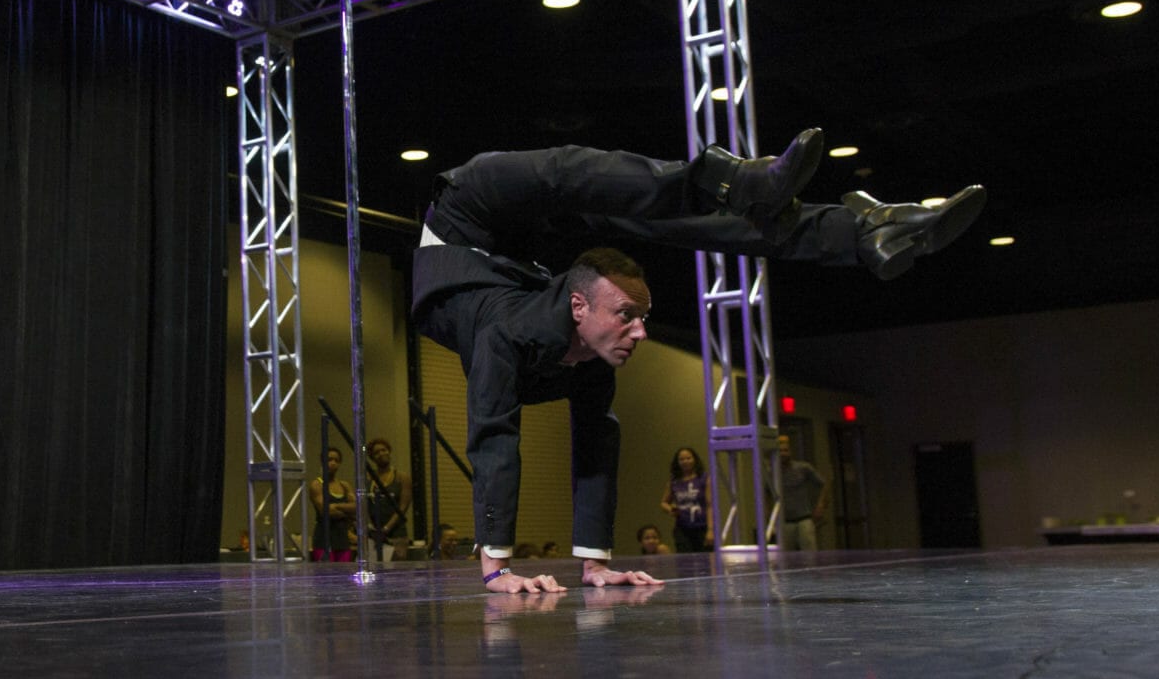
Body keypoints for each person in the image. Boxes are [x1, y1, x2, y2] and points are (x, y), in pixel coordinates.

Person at [412, 134, 983, 594]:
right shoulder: (508, 339)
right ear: (582, 310)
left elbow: (595, 442)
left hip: (505, 254)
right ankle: (758, 192)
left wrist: (595, 562)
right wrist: (496, 566)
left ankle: (863, 232)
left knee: (661, 218)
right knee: (566, 169)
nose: (639, 334)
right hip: (470, 221)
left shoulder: (583, 344)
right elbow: (493, 435)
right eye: (628, 319)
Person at [775, 432, 831, 551]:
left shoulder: (803, 468)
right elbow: (766, 493)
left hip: (804, 518)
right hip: (785, 520)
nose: (783, 454)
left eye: (786, 450)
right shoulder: (773, 472)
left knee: (809, 552)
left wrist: (820, 504)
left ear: (790, 451)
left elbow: (824, 484)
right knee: (786, 556)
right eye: (781, 451)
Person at [364, 436, 411, 561]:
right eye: (376, 452)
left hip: (396, 534)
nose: (381, 454)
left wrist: (386, 529)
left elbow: (403, 507)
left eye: (384, 450)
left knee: (396, 571)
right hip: (374, 534)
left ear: (389, 451)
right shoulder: (368, 479)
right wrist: (371, 528)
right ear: (372, 457)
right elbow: (364, 506)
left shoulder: (401, 477)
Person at [662, 446, 712, 553]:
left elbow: (710, 505)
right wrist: (670, 509)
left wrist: (711, 530)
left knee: (705, 558)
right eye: (682, 459)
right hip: (682, 528)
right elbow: (664, 502)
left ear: (694, 459)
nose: (685, 461)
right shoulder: (674, 481)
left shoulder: (704, 478)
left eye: (688, 458)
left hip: (702, 526)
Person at [310, 446, 356, 561]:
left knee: (344, 575)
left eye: (336, 460)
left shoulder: (344, 485)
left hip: (342, 540)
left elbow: (357, 507)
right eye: (329, 460)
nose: (333, 463)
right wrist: (347, 512)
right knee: (326, 575)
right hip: (323, 539)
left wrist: (336, 506)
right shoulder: (317, 485)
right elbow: (326, 511)